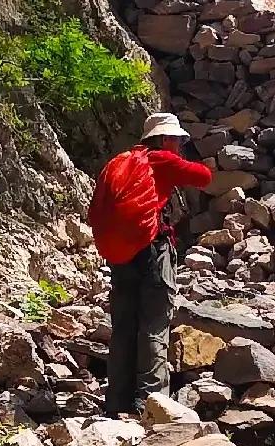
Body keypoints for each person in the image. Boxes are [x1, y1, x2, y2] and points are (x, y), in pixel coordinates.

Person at [90, 112, 213, 413]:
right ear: (166, 138)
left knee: (124, 328)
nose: (179, 145)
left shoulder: (119, 162)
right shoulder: (162, 161)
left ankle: (117, 403)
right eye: (178, 140)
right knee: (154, 327)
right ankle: (150, 406)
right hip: (153, 251)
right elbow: (204, 177)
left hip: (121, 255)